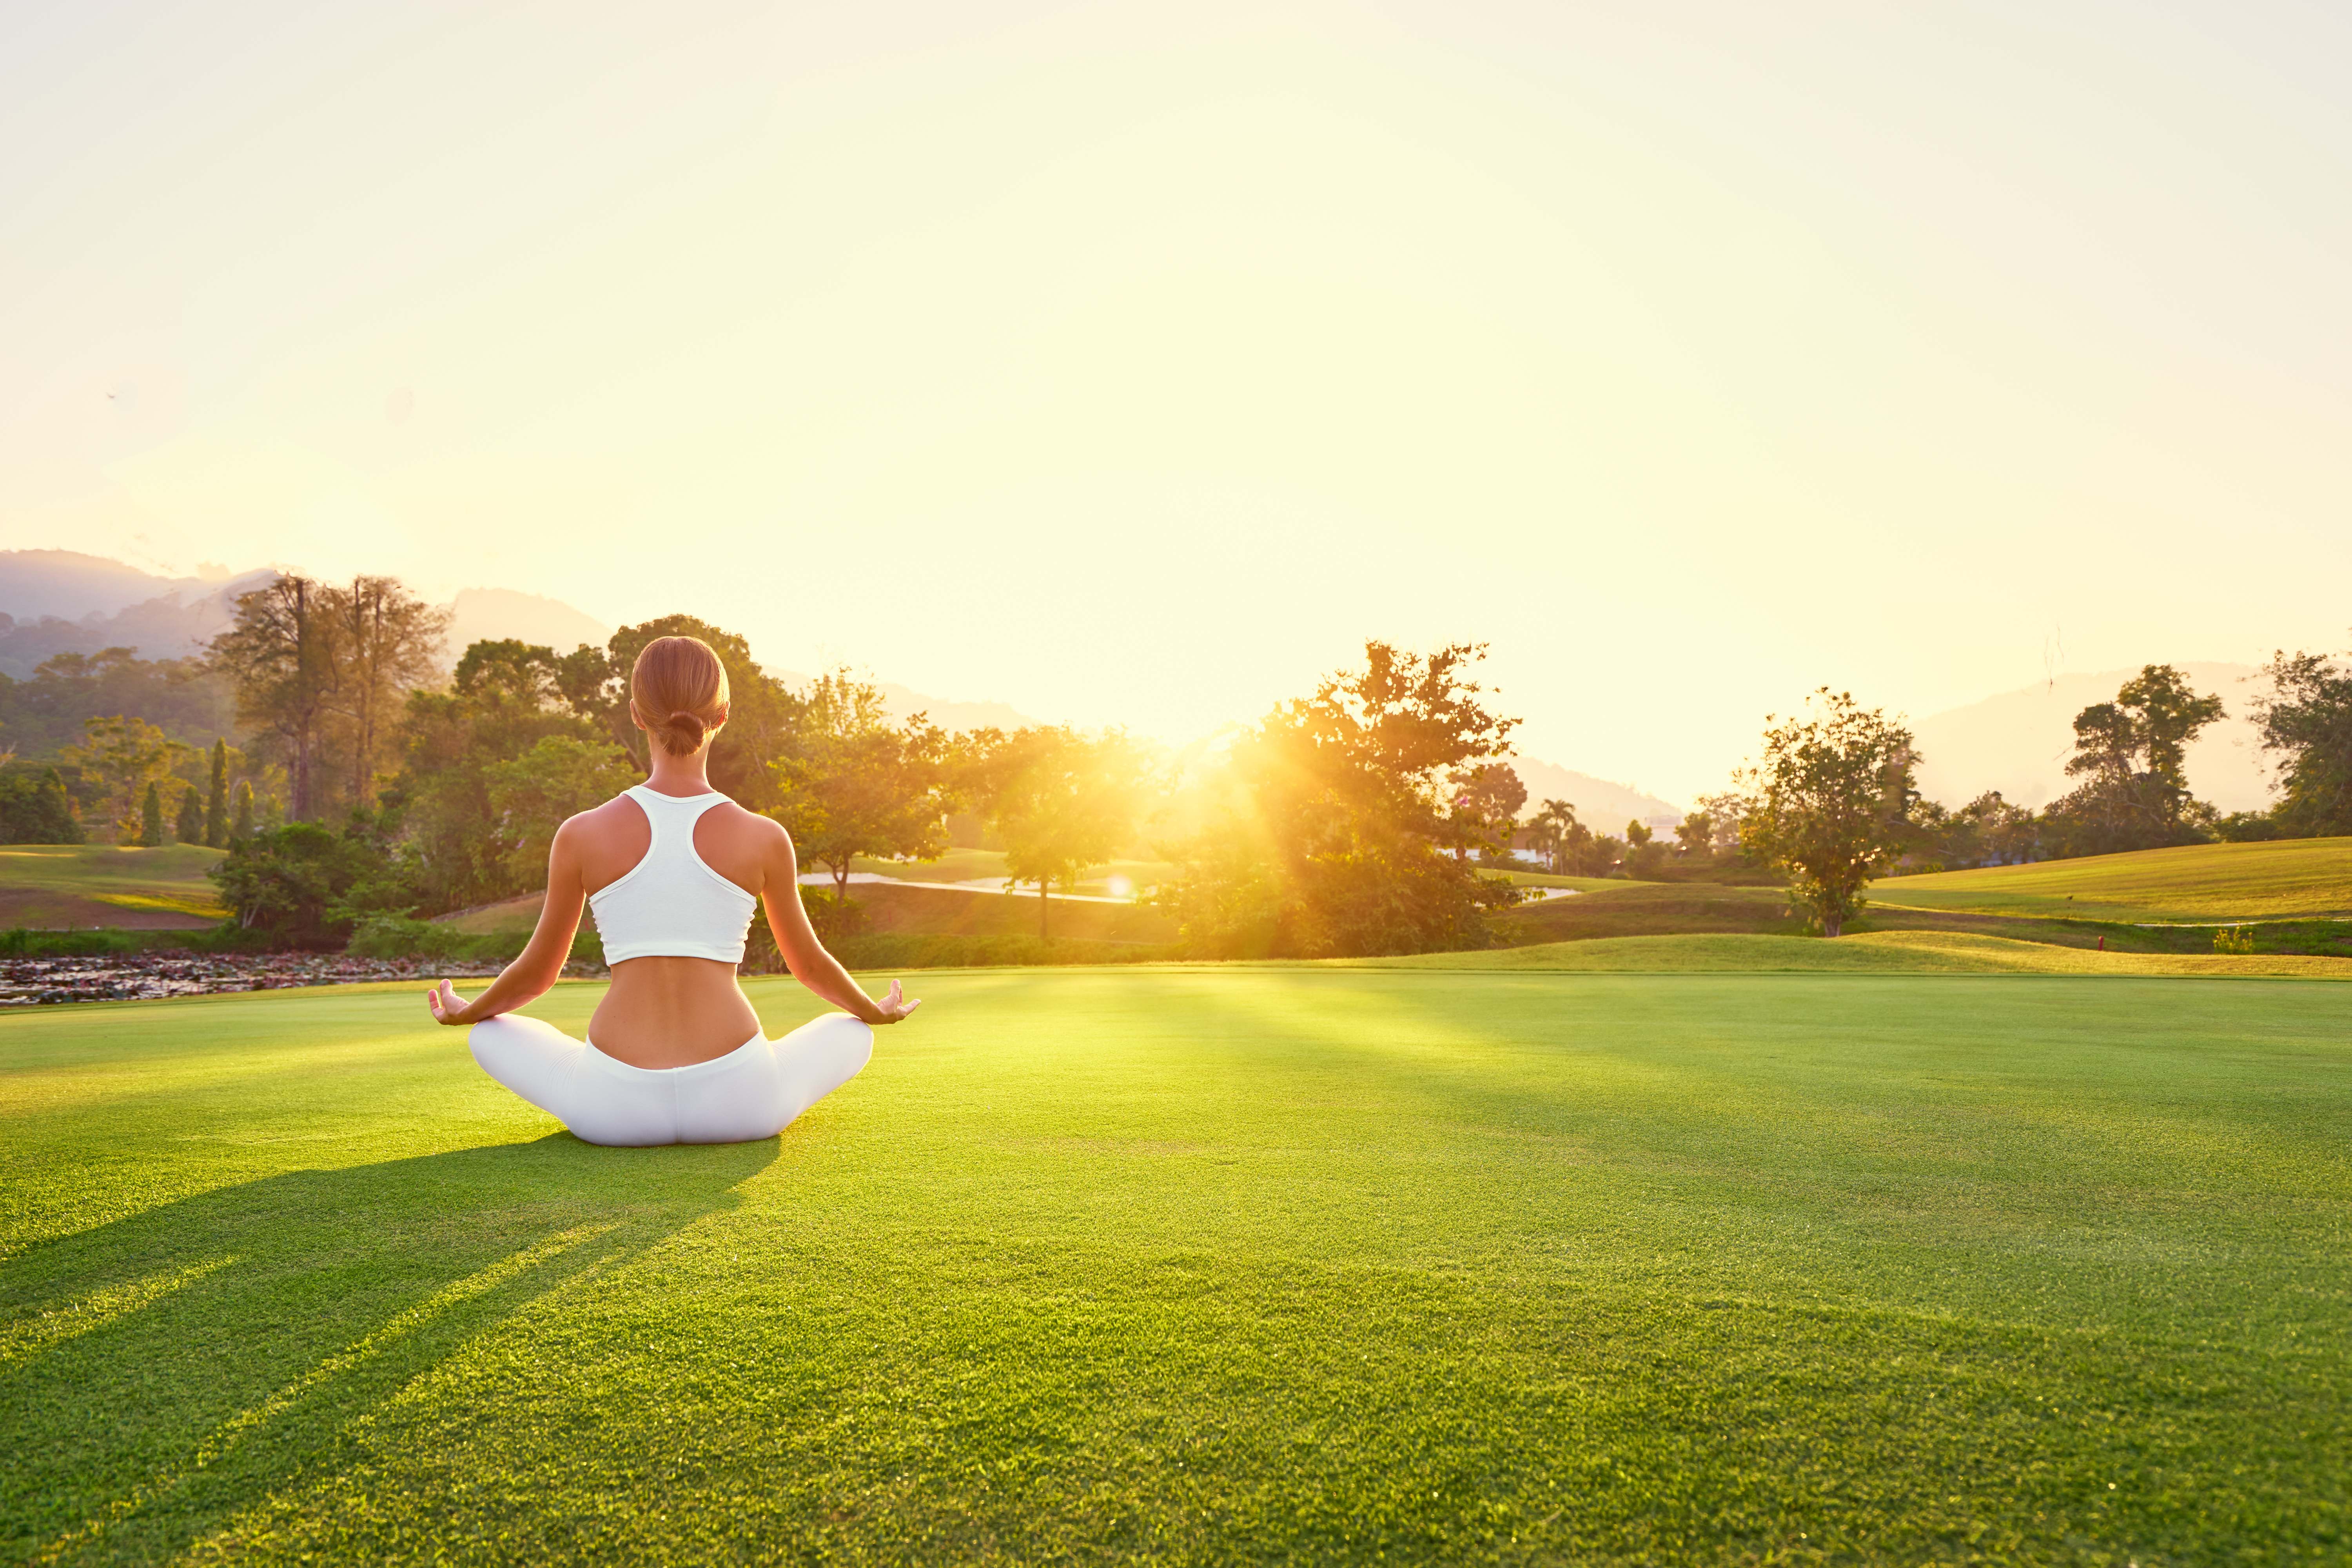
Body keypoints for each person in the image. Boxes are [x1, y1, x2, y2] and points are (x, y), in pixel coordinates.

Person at [426, 634, 919, 1146]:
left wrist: (470, 1010)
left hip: (613, 1110)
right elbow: (810, 966)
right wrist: (872, 1010)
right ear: (723, 715)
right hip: (743, 1101)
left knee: (489, 1032)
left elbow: (539, 975)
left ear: (638, 715)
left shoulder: (581, 833)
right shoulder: (764, 837)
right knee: (851, 1033)